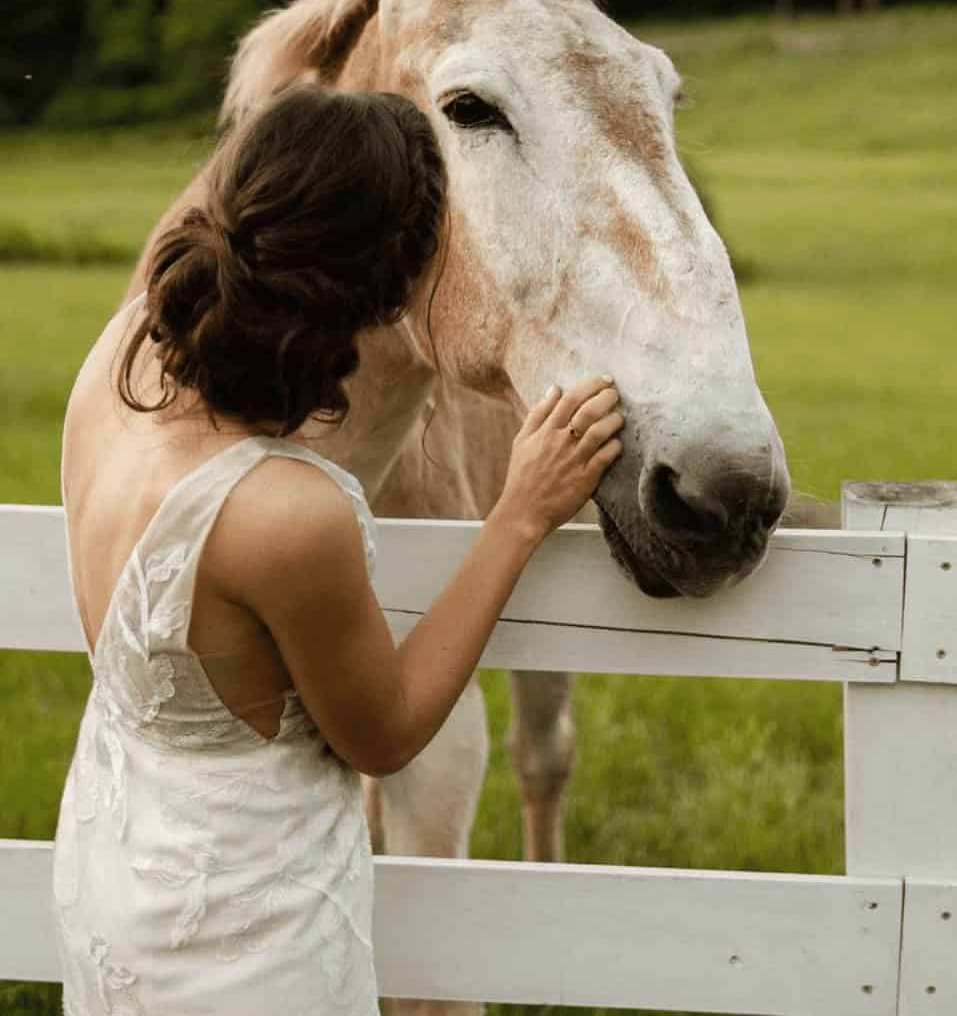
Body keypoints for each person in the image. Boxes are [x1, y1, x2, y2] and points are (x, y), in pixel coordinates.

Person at [53, 86, 623, 1016]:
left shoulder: (112, 371)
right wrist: (519, 515)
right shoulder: (283, 511)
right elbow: (383, 734)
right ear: (386, 296)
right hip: (248, 928)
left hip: (115, 870)